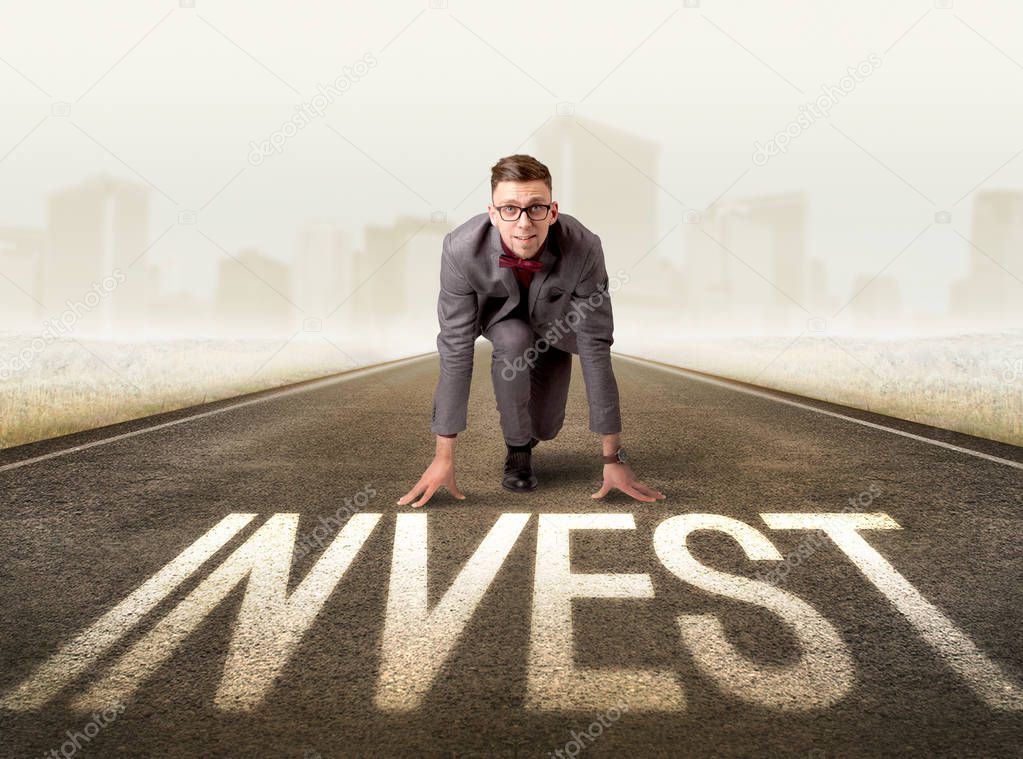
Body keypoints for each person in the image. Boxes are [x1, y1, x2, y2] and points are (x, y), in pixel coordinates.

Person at [397, 154, 665, 508]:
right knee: (513, 340)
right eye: (509, 209)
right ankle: (518, 453)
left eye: (535, 208)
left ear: (552, 212)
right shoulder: (460, 249)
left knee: (547, 427)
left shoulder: (584, 247)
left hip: (557, 328)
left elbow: (596, 345)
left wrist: (612, 460)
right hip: (503, 323)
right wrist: (444, 456)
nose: (523, 223)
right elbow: (456, 347)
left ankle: (530, 433)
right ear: (492, 214)